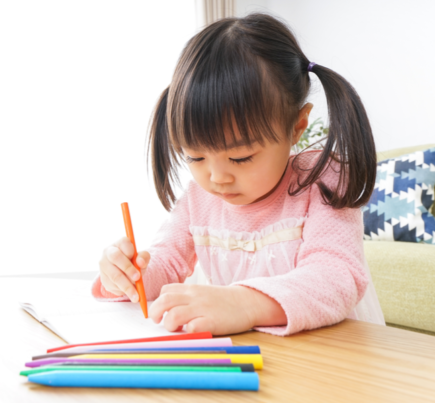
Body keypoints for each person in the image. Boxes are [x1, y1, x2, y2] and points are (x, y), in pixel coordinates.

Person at [92, 13, 385, 336]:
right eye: (196, 155)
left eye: (240, 157)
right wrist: (126, 276)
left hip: (332, 356)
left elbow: (335, 276)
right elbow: (165, 263)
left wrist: (243, 304)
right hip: (255, 359)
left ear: (296, 127)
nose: (217, 177)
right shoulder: (198, 199)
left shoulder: (323, 179)